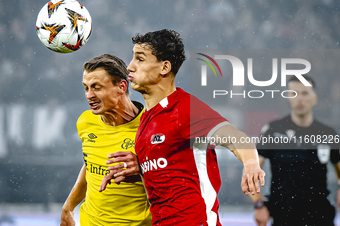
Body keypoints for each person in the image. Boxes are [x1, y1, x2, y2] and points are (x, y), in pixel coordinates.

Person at [101, 29, 265, 225]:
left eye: (140, 59)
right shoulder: (145, 119)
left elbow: (235, 137)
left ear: (164, 67)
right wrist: (140, 171)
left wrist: (251, 164)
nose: (130, 66)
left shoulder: (184, 108)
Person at [60, 54, 152, 226]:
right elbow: (91, 165)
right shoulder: (86, 121)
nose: (89, 95)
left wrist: (142, 170)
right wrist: (68, 206)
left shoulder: (151, 128)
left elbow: (171, 187)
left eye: (97, 87)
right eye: (86, 88)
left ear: (121, 86)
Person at [251, 75, 340, 226]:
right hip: (282, 217)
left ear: (314, 98)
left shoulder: (327, 133)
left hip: (320, 217)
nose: (299, 99)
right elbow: (251, 170)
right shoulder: (273, 131)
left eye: (305, 93)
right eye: (294, 93)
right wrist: (258, 205)